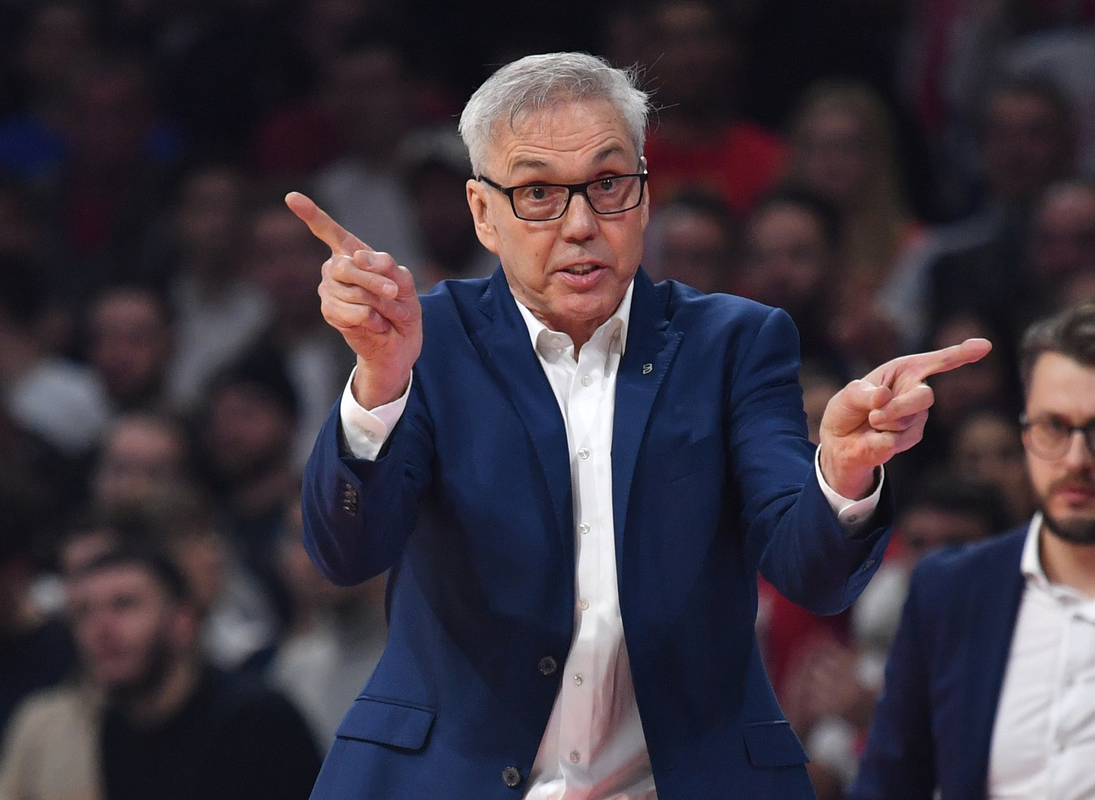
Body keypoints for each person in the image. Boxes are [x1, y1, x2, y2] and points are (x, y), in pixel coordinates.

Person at [288, 52, 989, 800]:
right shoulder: (422, 339)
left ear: (647, 195)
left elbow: (812, 575)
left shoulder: (734, 343)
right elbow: (346, 553)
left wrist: (842, 475)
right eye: (536, 193)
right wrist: (379, 386)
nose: (582, 224)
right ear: (482, 213)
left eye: (608, 184)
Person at [850, 299, 1095, 800]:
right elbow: (886, 787)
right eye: (1054, 427)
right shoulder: (949, 593)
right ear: (1026, 435)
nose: (1077, 459)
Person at [68, 546, 320, 800]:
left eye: (123, 605)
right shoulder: (115, 730)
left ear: (183, 622)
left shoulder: (258, 722)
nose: (99, 628)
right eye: (83, 612)